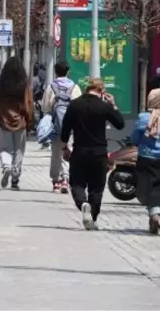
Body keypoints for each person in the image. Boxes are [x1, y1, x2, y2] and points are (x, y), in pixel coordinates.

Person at [60, 79, 125, 230]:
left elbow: (65, 129)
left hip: (79, 151)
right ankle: (92, 218)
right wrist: (113, 105)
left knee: (77, 183)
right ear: (102, 92)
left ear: (86, 89)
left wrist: (64, 148)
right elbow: (120, 124)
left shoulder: (75, 104)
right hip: (99, 153)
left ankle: (83, 203)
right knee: (96, 187)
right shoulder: (103, 106)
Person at [130, 89, 160, 234]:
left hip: (146, 157)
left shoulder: (143, 117)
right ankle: (156, 214)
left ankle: (154, 214)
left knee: (146, 187)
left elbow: (134, 138)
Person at [41, 60, 82, 193]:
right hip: (71, 127)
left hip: (55, 125)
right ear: (68, 71)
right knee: (69, 150)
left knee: (55, 152)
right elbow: (78, 106)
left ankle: (56, 180)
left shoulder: (51, 87)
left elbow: (45, 107)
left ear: (55, 71)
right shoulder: (74, 87)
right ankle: (66, 179)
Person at [0, 56, 34, 190]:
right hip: (20, 122)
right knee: (18, 150)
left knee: (5, 148)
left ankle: (6, 167)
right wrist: (29, 120)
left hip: (4, 121)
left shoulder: (1, 85)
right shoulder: (24, 85)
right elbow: (28, 104)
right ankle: (15, 179)